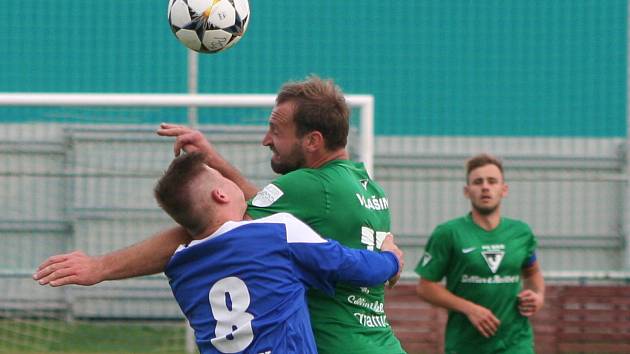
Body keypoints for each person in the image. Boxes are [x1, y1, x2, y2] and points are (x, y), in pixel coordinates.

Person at [34, 75, 406, 354]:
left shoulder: (307, 188)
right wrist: (390, 259)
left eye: (276, 131)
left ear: (312, 141)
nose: (265, 140)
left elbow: (215, 227)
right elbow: (255, 210)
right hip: (379, 342)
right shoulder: (364, 185)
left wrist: (101, 267)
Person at [155, 152, 403, 353]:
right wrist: (390, 259)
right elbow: (349, 265)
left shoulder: (180, 270)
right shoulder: (276, 232)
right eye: (226, 180)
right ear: (220, 194)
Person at [414, 153, 545, 354]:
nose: (485, 187)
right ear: (467, 191)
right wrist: (470, 309)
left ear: (504, 189)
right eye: (478, 182)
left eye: (492, 181)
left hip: (516, 342)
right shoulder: (448, 233)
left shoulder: (521, 233)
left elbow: (533, 273)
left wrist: (538, 296)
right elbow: (425, 287)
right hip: (466, 345)